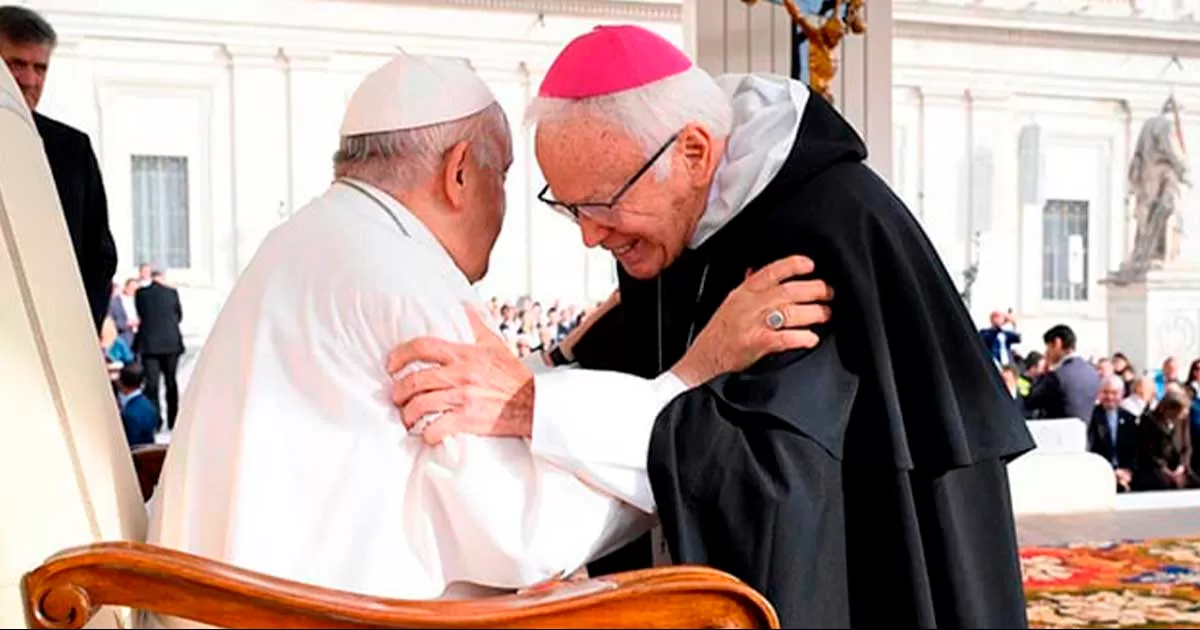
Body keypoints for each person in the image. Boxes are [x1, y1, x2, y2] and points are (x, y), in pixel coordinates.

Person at [145, 53, 831, 629]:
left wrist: (551, 365)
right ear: (461, 172)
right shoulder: (400, 277)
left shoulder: (314, 240)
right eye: (503, 179)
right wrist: (691, 375)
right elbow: (526, 535)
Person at [387, 25, 1034, 629]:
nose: (589, 236)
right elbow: (644, 363)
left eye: (601, 205)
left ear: (694, 151)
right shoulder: (676, 227)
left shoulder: (817, 238)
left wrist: (538, 407)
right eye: (568, 207)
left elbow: (774, 480)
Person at [0, 5, 117, 332]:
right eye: (15, 65)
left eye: (40, 68)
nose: (29, 80)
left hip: (52, 340)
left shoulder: (72, 149)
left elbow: (99, 254)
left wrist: (79, 331)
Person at [134, 269, 184, 430]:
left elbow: (141, 314)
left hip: (149, 344)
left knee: (152, 384)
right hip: (170, 343)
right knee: (171, 382)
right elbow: (178, 316)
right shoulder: (172, 293)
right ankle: (173, 419)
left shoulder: (141, 293)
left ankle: (156, 420)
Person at [1023, 324, 1099, 422]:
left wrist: (1044, 372)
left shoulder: (1057, 376)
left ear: (1057, 343)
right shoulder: (1092, 372)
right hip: (1083, 434)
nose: (1046, 352)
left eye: (1048, 347)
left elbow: (1030, 401)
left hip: (1058, 433)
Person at [1086, 374, 1138, 492]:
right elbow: (1091, 449)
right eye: (1105, 392)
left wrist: (1128, 471)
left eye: (1114, 393)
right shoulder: (1091, 418)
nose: (1109, 397)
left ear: (1122, 394)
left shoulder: (1129, 418)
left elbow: (1134, 449)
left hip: (1126, 474)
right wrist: (1113, 471)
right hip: (1101, 472)